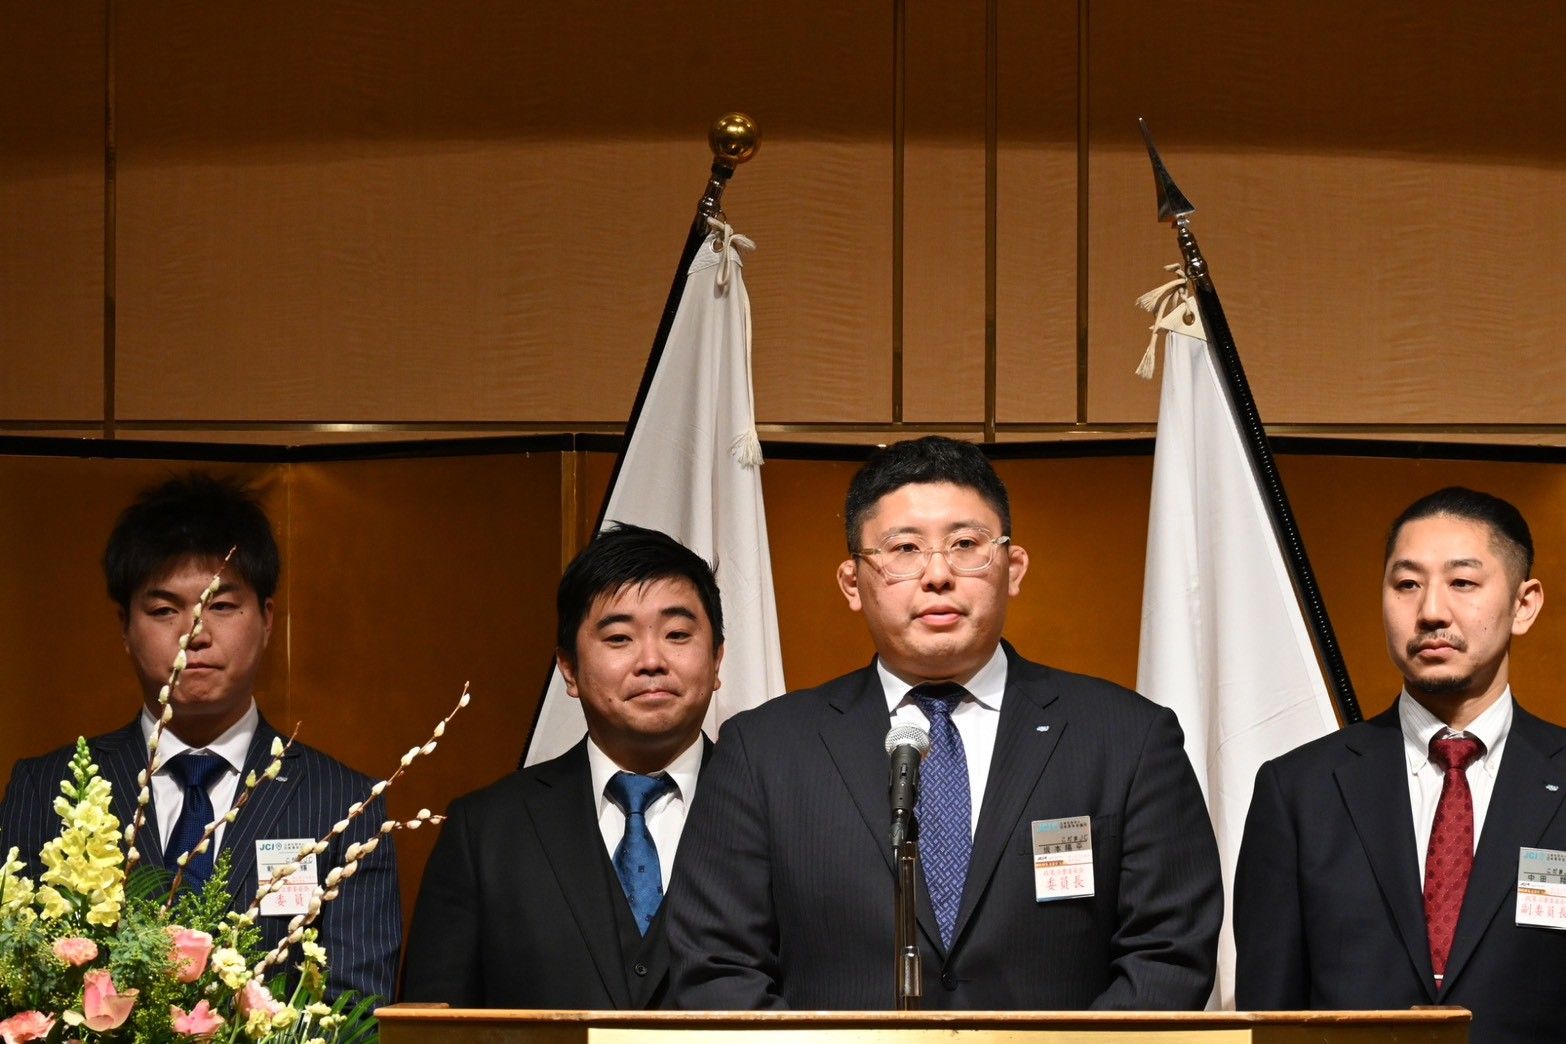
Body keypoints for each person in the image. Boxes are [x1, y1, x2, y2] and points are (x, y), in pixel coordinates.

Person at [667, 436, 1221, 1009]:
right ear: (853, 583)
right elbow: (715, 964)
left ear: (1013, 568)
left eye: (965, 545)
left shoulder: (1128, 737)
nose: (937, 574)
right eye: (904, 549)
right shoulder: (764, 750)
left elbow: (1168, 953)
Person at [0, 474, 400, 1001]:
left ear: (267, 619)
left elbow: (358, 1012)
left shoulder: (346, 804)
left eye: (222, 606)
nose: (195, 633)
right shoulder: (44, 790)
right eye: (164, 610)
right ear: (124, 627)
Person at [1235, 486, 1566, 1042]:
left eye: (1463, 583)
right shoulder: (1298, 791)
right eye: (1407, 584)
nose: (1431, 611)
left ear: (1523, 604)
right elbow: (1271, 1015)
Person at [401, 523, 724, 1008]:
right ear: (569, 670)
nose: (651, 660)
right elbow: (433, 1024)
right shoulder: (486, 830)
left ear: (717, 659)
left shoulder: (773, 813)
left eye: (677, 634)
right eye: (619, 638)